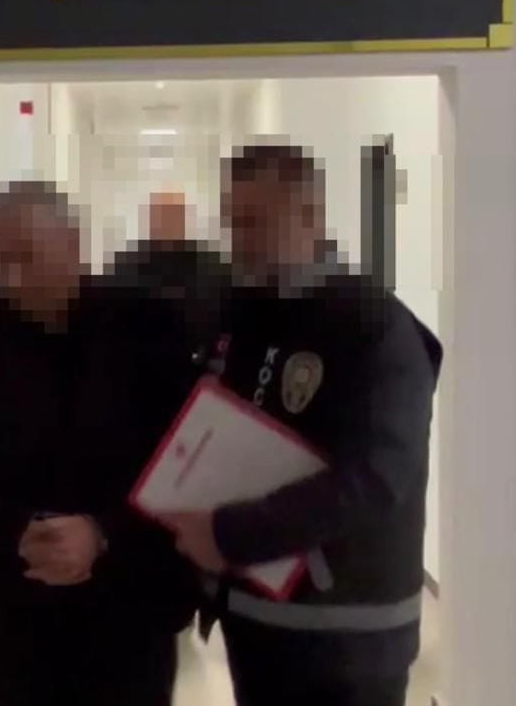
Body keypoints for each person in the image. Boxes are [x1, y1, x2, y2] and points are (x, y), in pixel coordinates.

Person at [155, 143, 443, 706]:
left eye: (256, 222)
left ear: (311, 215)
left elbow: (376, 478)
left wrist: (230, 534)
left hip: (348, 637)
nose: (240, 239)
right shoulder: (242, 314)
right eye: (233, 222)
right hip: (257, 618)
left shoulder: (375, 328)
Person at [0, 180, 199, 706]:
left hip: (131, 600)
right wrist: (16, 527)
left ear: (73, 243)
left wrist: (102, 531)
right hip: (15, 604)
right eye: (1, 261)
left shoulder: (149, 329)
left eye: (27, 257)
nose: (13, 277)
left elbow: (185, 454)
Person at [107, 189, 231, 344]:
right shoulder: (126, 266)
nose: (167, 223)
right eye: (161, 216)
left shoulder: (210, 266)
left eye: (174, 216)